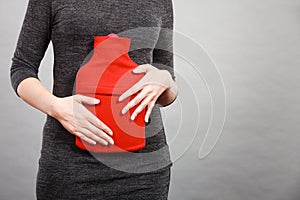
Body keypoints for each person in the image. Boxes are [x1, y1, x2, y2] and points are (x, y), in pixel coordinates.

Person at [10, 0, 178, 199]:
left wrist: (166, 80)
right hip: (70, 164)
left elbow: (167, 88)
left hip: (144, 169)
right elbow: (21, 67)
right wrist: (56, 106)